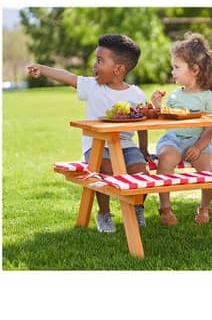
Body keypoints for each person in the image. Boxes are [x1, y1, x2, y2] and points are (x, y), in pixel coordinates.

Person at [27, 34, 151, 232]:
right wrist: (42, 69)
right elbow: (67, 75)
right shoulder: (93, 86)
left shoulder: (136, 94)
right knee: (107, 169)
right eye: (96, 59)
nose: (94, 65)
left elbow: (143, 122)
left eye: (100, 61)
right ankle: (104, 213)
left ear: (118, 69)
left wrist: (143, 149)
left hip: (126, 145)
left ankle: (137, 206)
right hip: (96, 146)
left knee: (142, 173)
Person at [151, 32, 212, 225]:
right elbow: (166, 118)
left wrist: (198, 147)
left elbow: (211, 129)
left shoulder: (208, 97)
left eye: (177, 67)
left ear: (195, 69)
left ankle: (205, 207)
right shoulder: (173, 96)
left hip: (199, 142)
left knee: (211, 168)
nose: (172, 72)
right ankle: (165, 207)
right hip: (173, 139)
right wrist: (158, 107)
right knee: (165, 158)